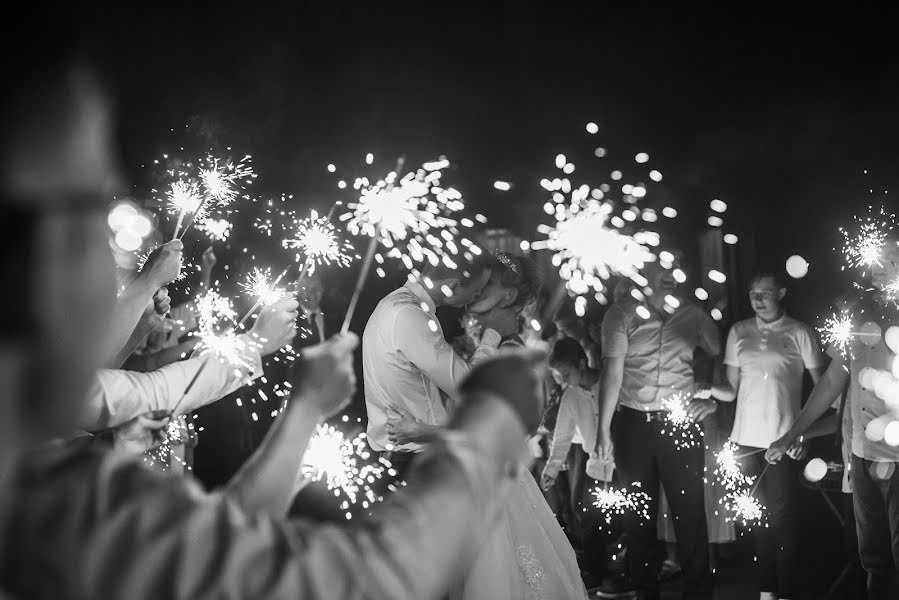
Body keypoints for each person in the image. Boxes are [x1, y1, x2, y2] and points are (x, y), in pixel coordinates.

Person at [0, 55, 554, 599]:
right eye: (96, 215)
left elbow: (221, 554)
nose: (115, 271)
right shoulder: (49, 503)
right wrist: (493, 423)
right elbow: (357, 583)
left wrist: (304, 410)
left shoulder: (51, 484)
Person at [452, 252, 589, 600]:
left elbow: (528, 420)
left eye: (483, 286)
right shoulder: (489, 342)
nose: (471, 291)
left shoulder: (509, 349)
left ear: (509, 296)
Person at [767, 241, 899, 600]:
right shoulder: (857, 320)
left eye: (890, 260)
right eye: (876, 259)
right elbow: (829, 383)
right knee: (873, 560)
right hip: (863, 455)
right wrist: (791, 433)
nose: (878, 266)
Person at [596, 261, 721, 599]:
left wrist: (709, 393)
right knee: (639, 514)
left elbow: (718, 354)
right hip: (634, 424)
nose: (671, 275)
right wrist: (602, 429)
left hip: (680, 423)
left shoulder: (693, 315)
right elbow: (612, 374)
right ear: (644, 273)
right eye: (662, 268)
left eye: (677, 269)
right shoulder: (620, 314)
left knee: (690, 512)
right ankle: (642, 587)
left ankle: (699, 591)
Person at [706, 272, 824, 600]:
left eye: (765, 293)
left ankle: (786, 590)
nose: (758, 299)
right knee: (756, 516)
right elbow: (729, 392)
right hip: (745, 440)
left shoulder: (800, 332)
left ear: (781, 293)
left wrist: (805, 435)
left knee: (783, 516)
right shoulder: (739, 332)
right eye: (753, 293)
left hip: (783, 440)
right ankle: (766, 590)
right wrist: (703, 387)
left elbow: (823, 390)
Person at [362, 254, 519, 479]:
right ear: (453, 286)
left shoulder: (391, 304)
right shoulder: (410, 315)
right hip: (414, 461)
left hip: (398, 456)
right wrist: (493, 334)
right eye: (476, 291)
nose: (475, 298)